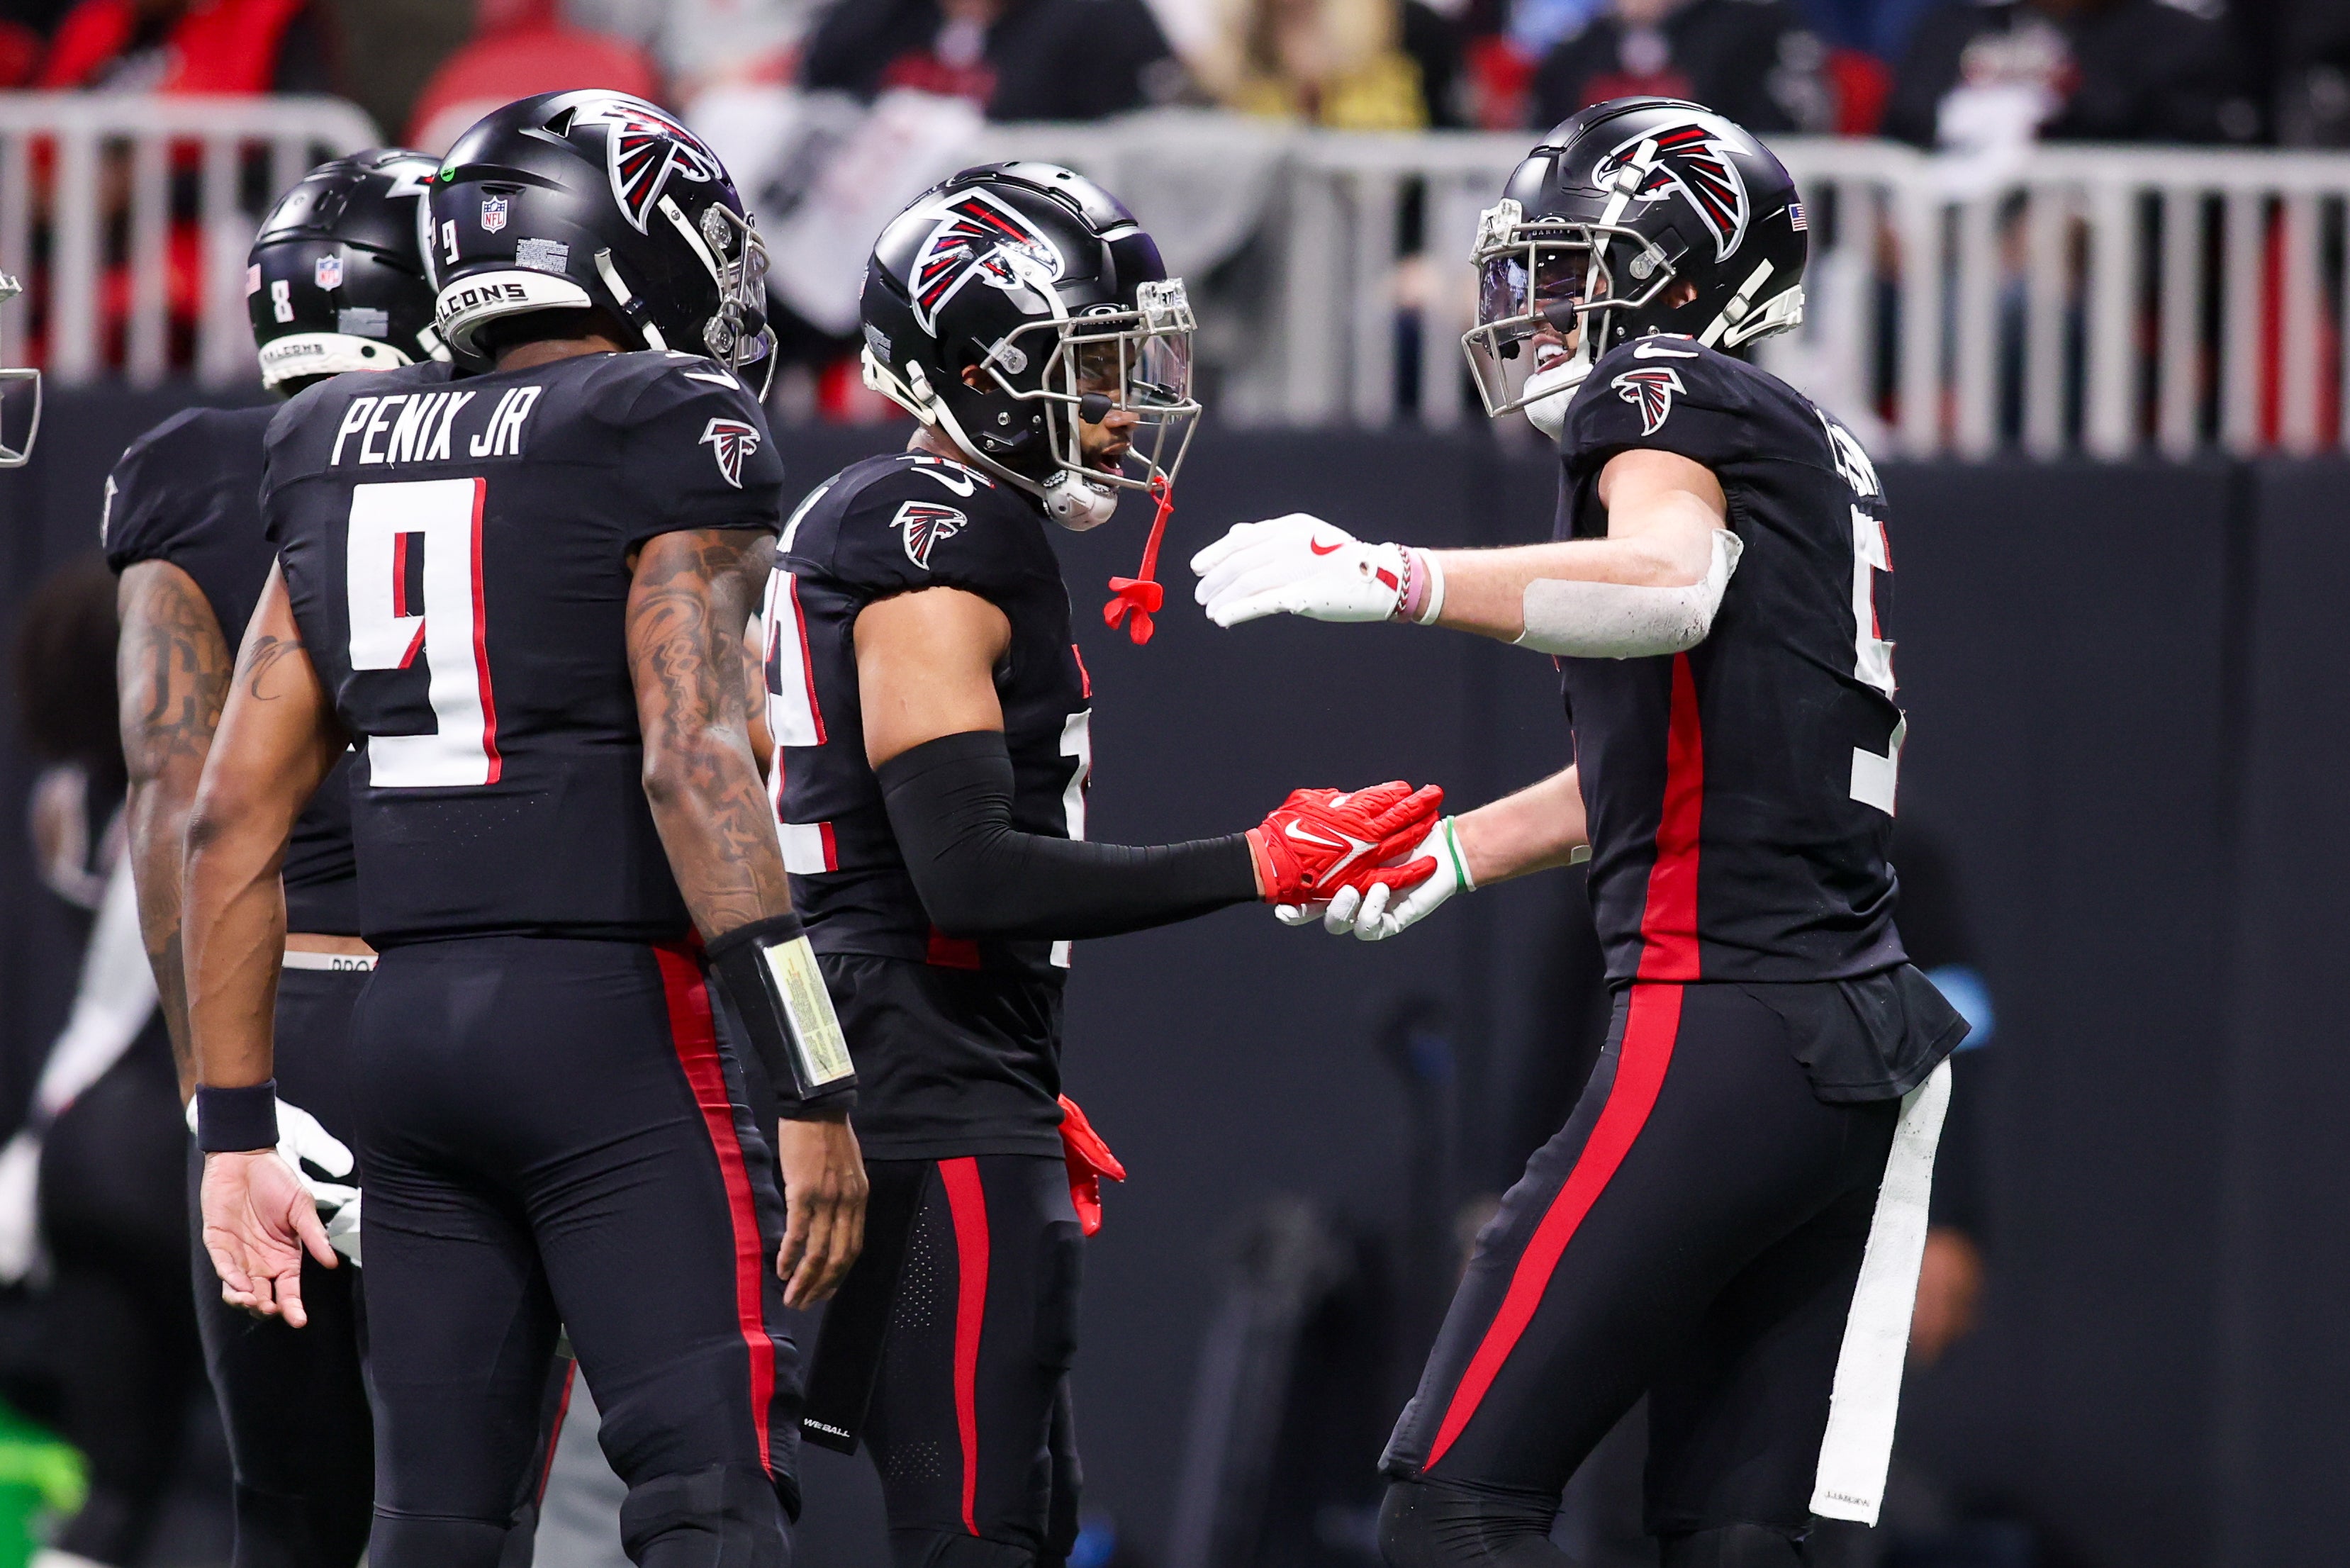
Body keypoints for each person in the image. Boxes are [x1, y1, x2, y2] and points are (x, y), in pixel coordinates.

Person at [1191, 98, 1971, 1566]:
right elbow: (1694, 761)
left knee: (1450, 1496)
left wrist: (1393, 573)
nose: (1539, 303)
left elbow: (1665, 582)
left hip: (1721, 1010)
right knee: (1735, 1539)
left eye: (1571, 263)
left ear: (1678, 274)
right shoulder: (1806, 443)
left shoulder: (1668, 387)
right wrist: (1456, 853)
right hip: (1841, 1042)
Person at [177, 89, 866, 1566]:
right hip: (609, 1026)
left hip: (407, 1043)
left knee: (433, 1523)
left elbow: (228, 804)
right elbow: (696, 768)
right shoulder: (666, 420)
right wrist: (811, 1070)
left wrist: (231, 1122)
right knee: (709, 1497)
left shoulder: (329, 438)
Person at [775, 161, 1448, 1567]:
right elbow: (961, 871)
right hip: (917, 1086)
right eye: (1088, 370)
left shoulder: (914, 517)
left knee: (1004, 1515)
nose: (1122, 404)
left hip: (922, 1059)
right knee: (976, 1528)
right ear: (979, 366)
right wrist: (1256, 859)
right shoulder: (937, 531)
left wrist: (1002, 1047)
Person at [103, 148, 600, 1567]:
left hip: (282, 1016)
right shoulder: (525, 441)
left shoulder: (183, 466)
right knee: (472, 1509)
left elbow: (170, 794)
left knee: (292, 1504)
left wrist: (226, 1099)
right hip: (468, 1010)